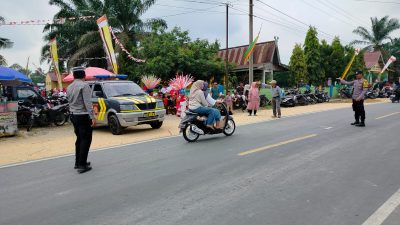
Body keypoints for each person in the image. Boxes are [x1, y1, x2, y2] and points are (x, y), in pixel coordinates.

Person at [67, 67, 95, 173]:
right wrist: (92, 117)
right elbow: (88, 103)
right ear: (84, 76)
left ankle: (78, 162)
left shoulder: (69, 87)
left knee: (79, 139)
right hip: (83, 115)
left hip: (73, 115)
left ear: (74, 76)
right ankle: (82, 165)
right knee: (86, 139)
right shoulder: (84, 85)